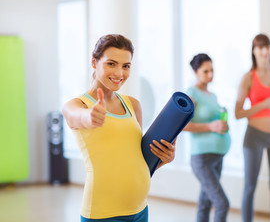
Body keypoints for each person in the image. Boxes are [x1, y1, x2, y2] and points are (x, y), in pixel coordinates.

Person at [62, 34, 176, 222]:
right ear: (94, 62)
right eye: (111, 64)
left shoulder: (133, 105)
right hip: (102, 214)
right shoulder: (77, 105)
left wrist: (164, 158)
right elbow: (76, 117)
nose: (119, 73)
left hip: (140, 210)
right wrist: (90, 117)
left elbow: (137, 160)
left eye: (126, 66)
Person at [235, 34, 270, 222]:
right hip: (254, 137)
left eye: (267, 47)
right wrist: (263, 105)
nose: (264, 51)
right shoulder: (248, 78)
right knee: (250, 187)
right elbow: (238, 113)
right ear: (254, 51)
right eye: (260, 47)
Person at [183, 53, 231, 222]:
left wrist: (222, 125)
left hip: (217, 156)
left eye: (212, 70)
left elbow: (216, 123)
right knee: (222, 203)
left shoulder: (213, 96)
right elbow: (182, 125)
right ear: (195, 72)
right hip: (201, 158)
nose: (210, 75)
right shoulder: (192, 93)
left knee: (205, 203)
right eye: (205, 71)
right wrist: (211, 126)